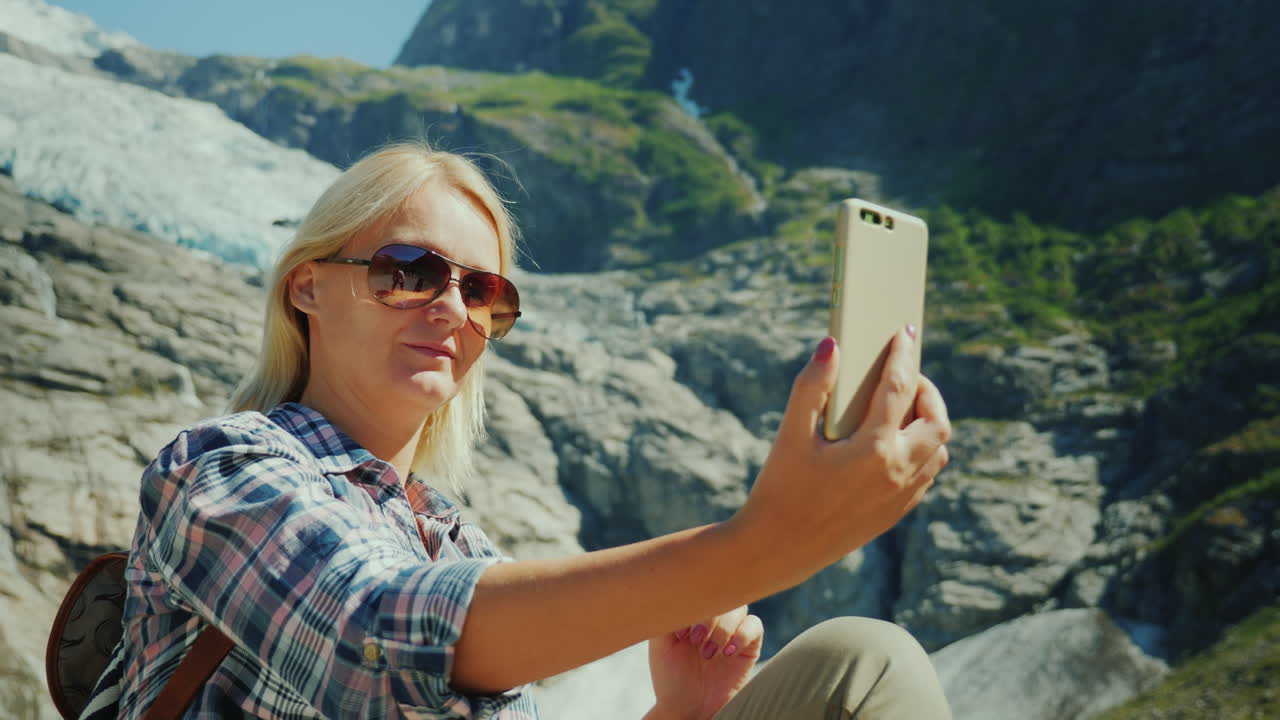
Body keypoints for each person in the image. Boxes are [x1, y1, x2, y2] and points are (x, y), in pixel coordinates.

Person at [87, 142, 954, 719]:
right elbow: (377, 638)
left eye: (484, 292)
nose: (451, 308)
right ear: (306, 288)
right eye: (408, 271)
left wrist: (678, 711)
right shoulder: (220, 472)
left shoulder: (455, 542)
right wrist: (763, 546)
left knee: (861, 660)